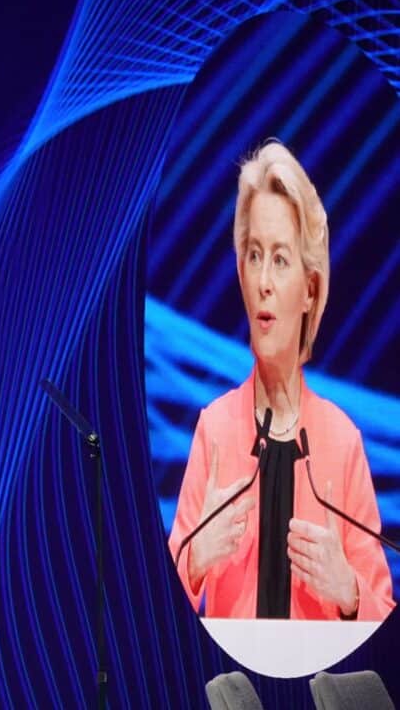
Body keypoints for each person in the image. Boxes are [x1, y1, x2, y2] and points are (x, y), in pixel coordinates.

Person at [168, 141, 393, 620]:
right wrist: (193, 560)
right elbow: (156, 612)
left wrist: (349, 590)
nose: (263, 280)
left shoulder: (341, 441)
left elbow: (383, 617)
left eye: (280, 259)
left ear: (310, 290)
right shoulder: (215, 430)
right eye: (253, 256)